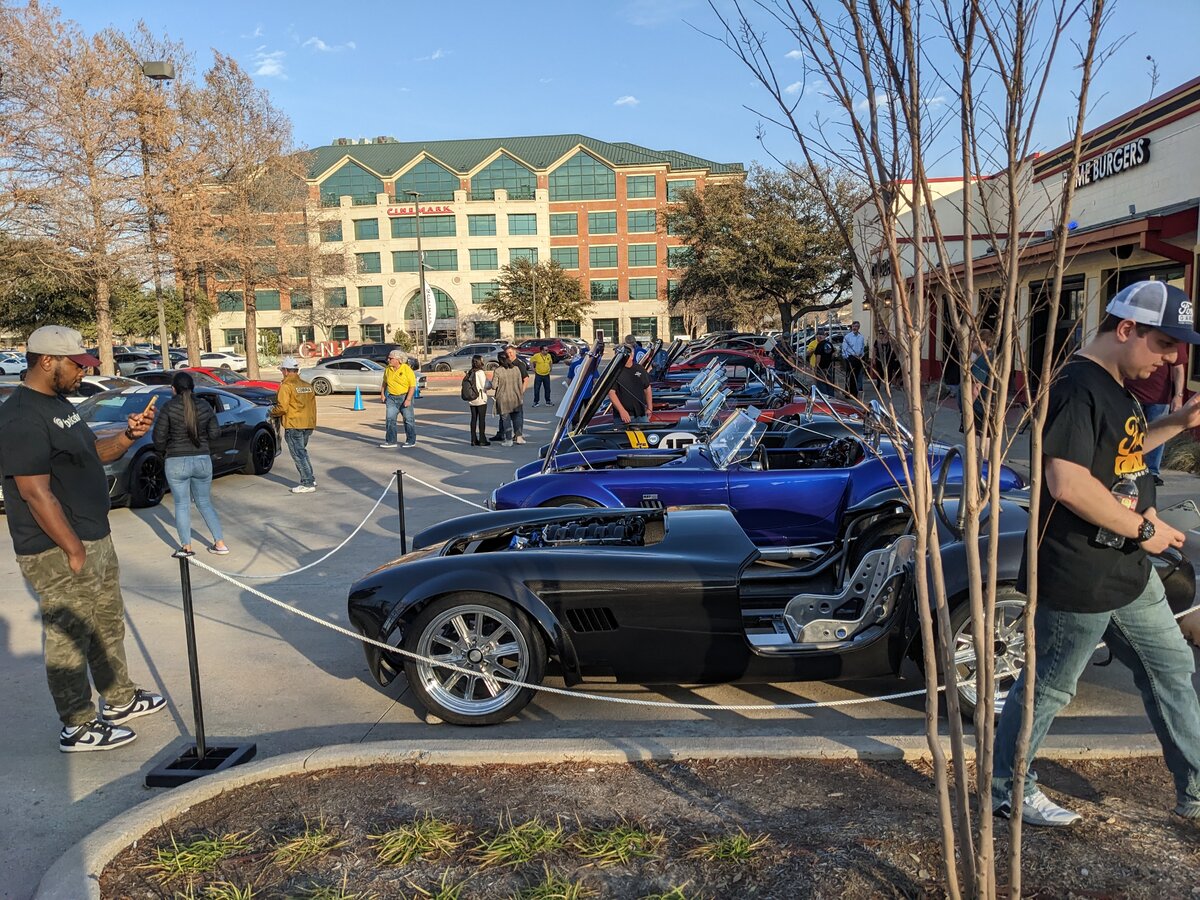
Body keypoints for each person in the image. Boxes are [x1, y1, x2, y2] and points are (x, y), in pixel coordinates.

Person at [992, 280, 1200, 827]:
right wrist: (1142, 528)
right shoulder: (1075, 386)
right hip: (1079, 572)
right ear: (1126, 329)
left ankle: (1198, 793)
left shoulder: (1117, 386)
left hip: (1127, 570)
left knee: (1172, 670)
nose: (1173, 358)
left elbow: (1119, 456)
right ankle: (1008, 791)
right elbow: (1067, 482)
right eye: (1164, 343)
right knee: (1049, 688)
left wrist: (1176, 425)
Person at [0, 325, 165, 752]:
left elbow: (93, 453)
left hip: (94, 536)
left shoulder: (59, 405)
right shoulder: (21, 417)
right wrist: (73, 549)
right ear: (47, 361)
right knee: (69, 636)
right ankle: (77, 725)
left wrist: (128, 435)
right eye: (76, 365)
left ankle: (120, 699)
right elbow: (34, 493)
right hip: (55, 549)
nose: (83, 372)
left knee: (107, 622)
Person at [153, 371, 228, 556]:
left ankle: (186, 547)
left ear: (173, 389)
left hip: (176, 460)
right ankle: (220, 543)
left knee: (182, 505)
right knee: (204, 502)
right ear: (193, 388)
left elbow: (158, 438)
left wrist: (164, 451)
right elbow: (215, 433)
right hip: (202, 459)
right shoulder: (204, 406)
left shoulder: (168, 407)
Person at [1126, 341, 1188, 486]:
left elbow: (1178, 369)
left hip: (1159, 397)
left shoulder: (1174, 339)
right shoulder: (1137, 336)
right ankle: (1129, 468)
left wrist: (1178, 396)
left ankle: (1152, 472)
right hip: (1130, 394)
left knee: (1158, 433)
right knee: (1130, 433)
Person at [270, 356, 318, 493]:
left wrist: (271, 412)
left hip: (294, 424)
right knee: (302, 452)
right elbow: (312, 406)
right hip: (308, 424)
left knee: (298, 454)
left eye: (282, 370)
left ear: (286, 371)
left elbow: (282, 408)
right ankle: (310, 478)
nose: (282, 372)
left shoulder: (286, 386)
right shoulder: (307, 385)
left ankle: (307, 483)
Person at [608, 335, 654, 424]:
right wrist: (622, 411)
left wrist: (650, 407)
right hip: (624, 417)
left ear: (632, 355)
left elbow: (647, 388)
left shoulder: (639, 368)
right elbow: (611, 393)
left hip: (641, 415)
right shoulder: (615, 371)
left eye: (627, 354)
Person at [379, 349, 417, 449]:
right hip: (391, 398)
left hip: (404, 396)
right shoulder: (388, 369)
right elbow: (384, 383)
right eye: (388, 358)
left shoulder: (406, 369)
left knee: (408, 420)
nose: (388, 360)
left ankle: (411, 440)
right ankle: (391, 441)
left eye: (391, 358)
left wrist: (408, 399)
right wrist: (382, 394)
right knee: (390, 419)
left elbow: (412, 386)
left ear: (398, 360)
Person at [490, 351, 525, 446]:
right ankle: (519, 437)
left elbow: (493, 386)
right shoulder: (516, 369)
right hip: (516, 397)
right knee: (517, 418)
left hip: (503, 399)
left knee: (506, 419)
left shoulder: (498, 371)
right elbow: (520, 383)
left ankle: (508, 440)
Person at [465, 355, 489, 446]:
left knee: (473, 418)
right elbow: (485, 385)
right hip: (480, 398)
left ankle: (473, 439)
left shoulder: (470, 372)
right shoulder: (480, 372)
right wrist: (489, 383)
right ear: (479, 362)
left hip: (472, 399)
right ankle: (482, 439)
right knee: (481, 419)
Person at [842, 320, 867, 397]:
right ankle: (848, 393)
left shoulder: (861, 337)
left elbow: (862, 347)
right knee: (850, 376)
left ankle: (854, 393)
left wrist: (862, 355)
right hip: (851, 358)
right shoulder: (848, 337)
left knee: (856, 376)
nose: (855, 328)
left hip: (858, 358)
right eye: (853, 326)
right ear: (851, 327)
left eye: (856, 326)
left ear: (859, 327)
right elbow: (844, 348)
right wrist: (847, 357)